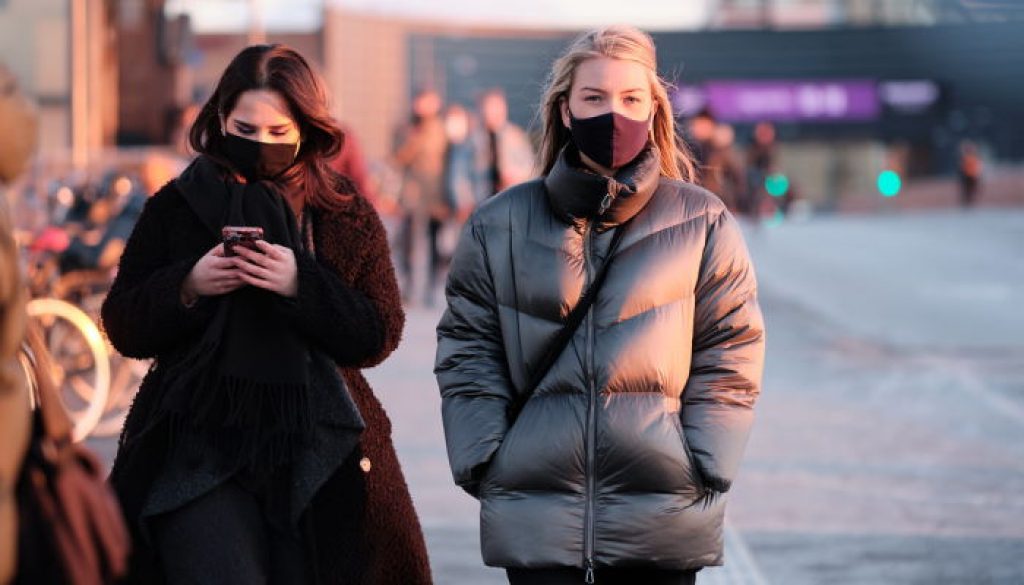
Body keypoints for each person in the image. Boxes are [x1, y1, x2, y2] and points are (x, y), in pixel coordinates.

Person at [436, 25, 765, 585]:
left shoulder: (702, 221)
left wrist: (704, 463)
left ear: (653, 109)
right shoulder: (500, 223)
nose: (614, 114)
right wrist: (486, 458)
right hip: (537, 514)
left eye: (631, 99)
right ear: (565, 110)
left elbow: (732, 348)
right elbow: (467, 348)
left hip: (662, 516)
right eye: (594, 98)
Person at [101, 44, 431, 585]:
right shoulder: (176, 204)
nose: (262, 146)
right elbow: (124, 325)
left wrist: (301, 284)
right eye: (246, 129)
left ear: (307, 128)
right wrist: (188, 285)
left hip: (320, 441)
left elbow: (378, 332)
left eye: (280, 133)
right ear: (220, 119)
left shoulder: (341, 209)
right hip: (196, 445)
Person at [392, 88, 450, 304]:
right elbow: (398, 157)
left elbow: (450, 163)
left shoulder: (442, 128)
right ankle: (408, 285)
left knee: (434, 243)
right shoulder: (406, 128)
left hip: (436, 195)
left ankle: (429, 289)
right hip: (411, 195)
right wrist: (414, 138)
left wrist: (449, 196)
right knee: (408, 243)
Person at [474, 88, 536, 198]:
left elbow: (529, 168)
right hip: (482, 201)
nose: (492, 112)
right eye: (489, 107)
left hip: (509, 198)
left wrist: (513, 177)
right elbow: (462, 177)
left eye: (496, 107)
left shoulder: (515, 137)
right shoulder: (473, 140)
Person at [958, 140, 982, 208]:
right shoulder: (966, 157)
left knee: (971, 190)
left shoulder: (973, 157)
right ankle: (968, 202)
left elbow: (977, 167)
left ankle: (970, 202)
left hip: (972, 175)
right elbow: (962, 167)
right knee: (967, 190)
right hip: (967, 175)